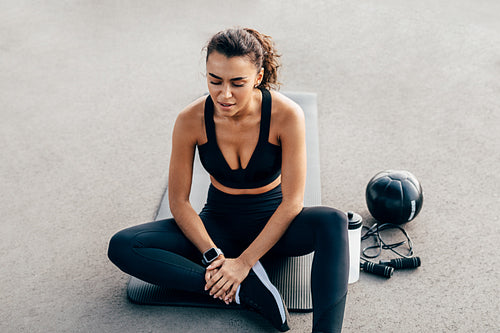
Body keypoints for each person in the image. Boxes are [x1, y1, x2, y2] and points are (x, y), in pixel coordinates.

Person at [108, 27, 349, 333]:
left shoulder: (286, 115)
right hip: (218, 226)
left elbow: (292, 203)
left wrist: (244, 262)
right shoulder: (189, 120)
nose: (224, 94)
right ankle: (243, 291)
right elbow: (179, 202)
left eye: (238, 83)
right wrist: (215, 257)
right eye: (214, 81)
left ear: (258, 78)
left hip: (276, 226)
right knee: (124, 245)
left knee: (333, 222)